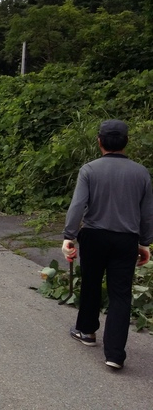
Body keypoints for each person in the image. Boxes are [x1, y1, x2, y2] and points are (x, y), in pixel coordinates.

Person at [62, 119, 153, 370]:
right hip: (126, 240)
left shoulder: (89, 170)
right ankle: (114, 354)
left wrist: (69, 236)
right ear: (126, 142)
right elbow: (147, 213)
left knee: (91, 283)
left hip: (94, 236)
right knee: (121, 294)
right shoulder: (141, 172)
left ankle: (87, 332)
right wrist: (145, 243)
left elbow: (78, 205)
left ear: (99, 141)